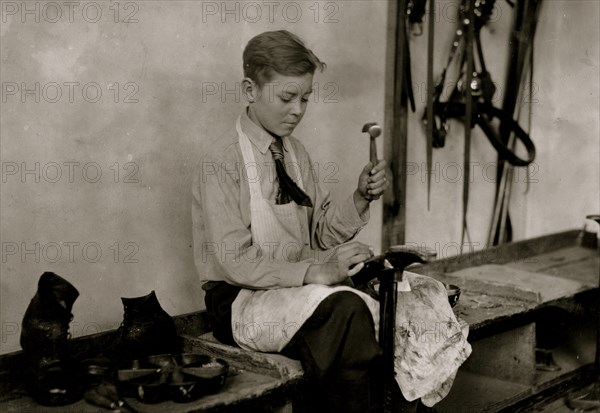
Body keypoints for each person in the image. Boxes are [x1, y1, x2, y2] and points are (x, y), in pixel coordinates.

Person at [193, 30, 419, 412]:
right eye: (287, 97)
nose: (298, 109)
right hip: (238, 299)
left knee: (404, 296)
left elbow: (320, 233)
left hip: (295, 289)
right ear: (250, 90)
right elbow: (235, 260)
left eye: (305, 98)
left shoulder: (296, 155)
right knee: (346, 311)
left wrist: (360, 196)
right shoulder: (222, 161)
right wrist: (314, 272)